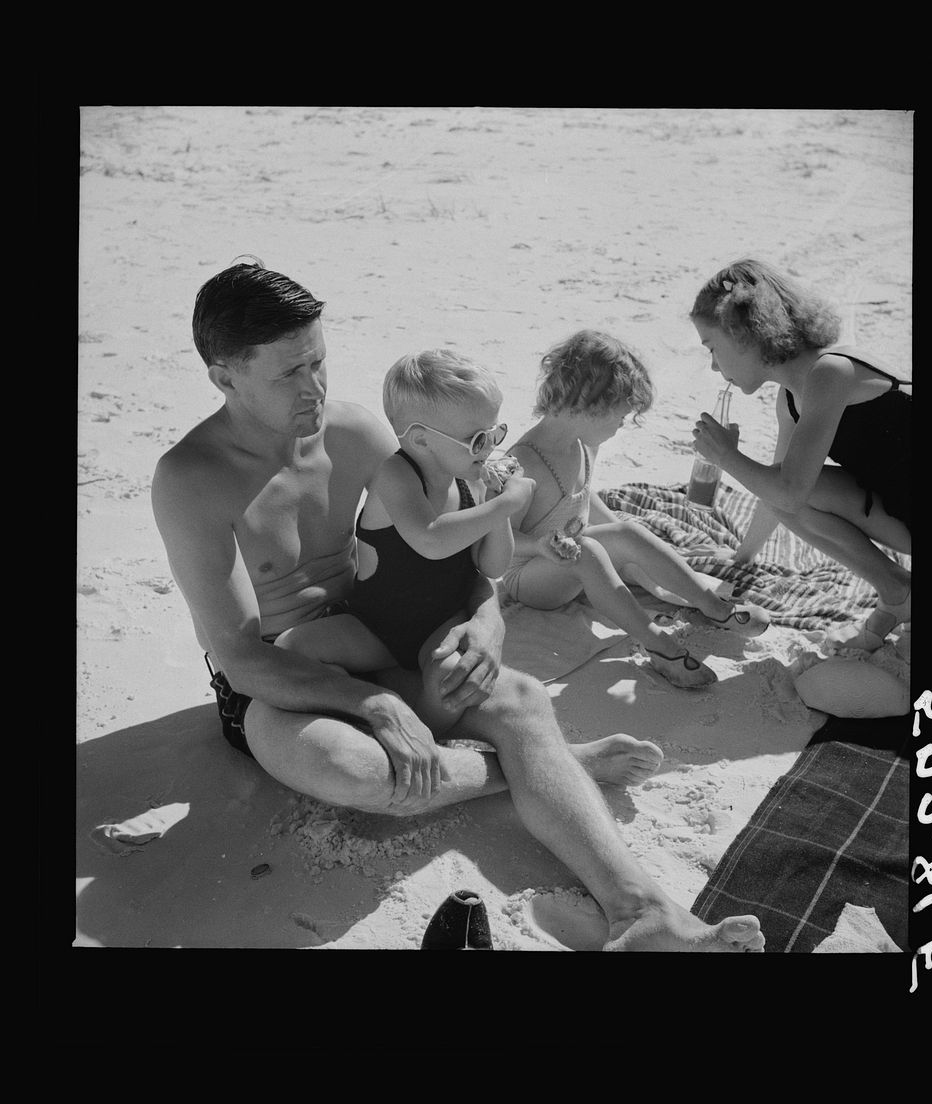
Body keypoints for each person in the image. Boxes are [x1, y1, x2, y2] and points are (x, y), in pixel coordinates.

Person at [151, 258, 765, 952]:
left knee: (523, 699)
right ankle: (553, 766)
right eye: (290, 372)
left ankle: (647, 912)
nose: (315, 384)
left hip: (389, 640)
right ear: (225, 376)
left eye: (319, 360)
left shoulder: (354, 433)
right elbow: (239, 658)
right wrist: (372, 705)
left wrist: (485, 619)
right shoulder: (190, 479)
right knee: (358, 772)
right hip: (279, 689)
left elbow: (455, 556)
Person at [275, 349, 537, 739]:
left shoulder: (474, 478)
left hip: (442, 621)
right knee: (290, 647)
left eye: (496, 433)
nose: (490, 449)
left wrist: (498, 510)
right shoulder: (396, 474)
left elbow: (494, 567)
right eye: (478, 439)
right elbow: (430, 539)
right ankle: (362, 709)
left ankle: (425, 735)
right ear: (421, 440)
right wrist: (508, 504)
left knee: (452, 679)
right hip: (375, 625)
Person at [502, 329, 770, 689]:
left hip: (574, 556)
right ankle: (659, 646)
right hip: (532, 580)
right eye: (620, 417)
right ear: (590, 405)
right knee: (591, 549)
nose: (620, 427)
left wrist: (628, 541)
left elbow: (580, 498)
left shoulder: (582, 444)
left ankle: (714, 607)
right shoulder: (524, 463)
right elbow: (500, 540)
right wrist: (540, 547)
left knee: (626, 530)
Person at [688, 259, 911, 649]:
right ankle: (899, 590)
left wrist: (726, 456)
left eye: (712, 348)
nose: (712, 365)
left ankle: (898, 593)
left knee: (791, 491)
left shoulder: (832, 372)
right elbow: (778, 491)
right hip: (906, 508)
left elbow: (789, 491)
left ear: (744, 334)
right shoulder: (790, 397)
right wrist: (742, 559)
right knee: (786, 490)